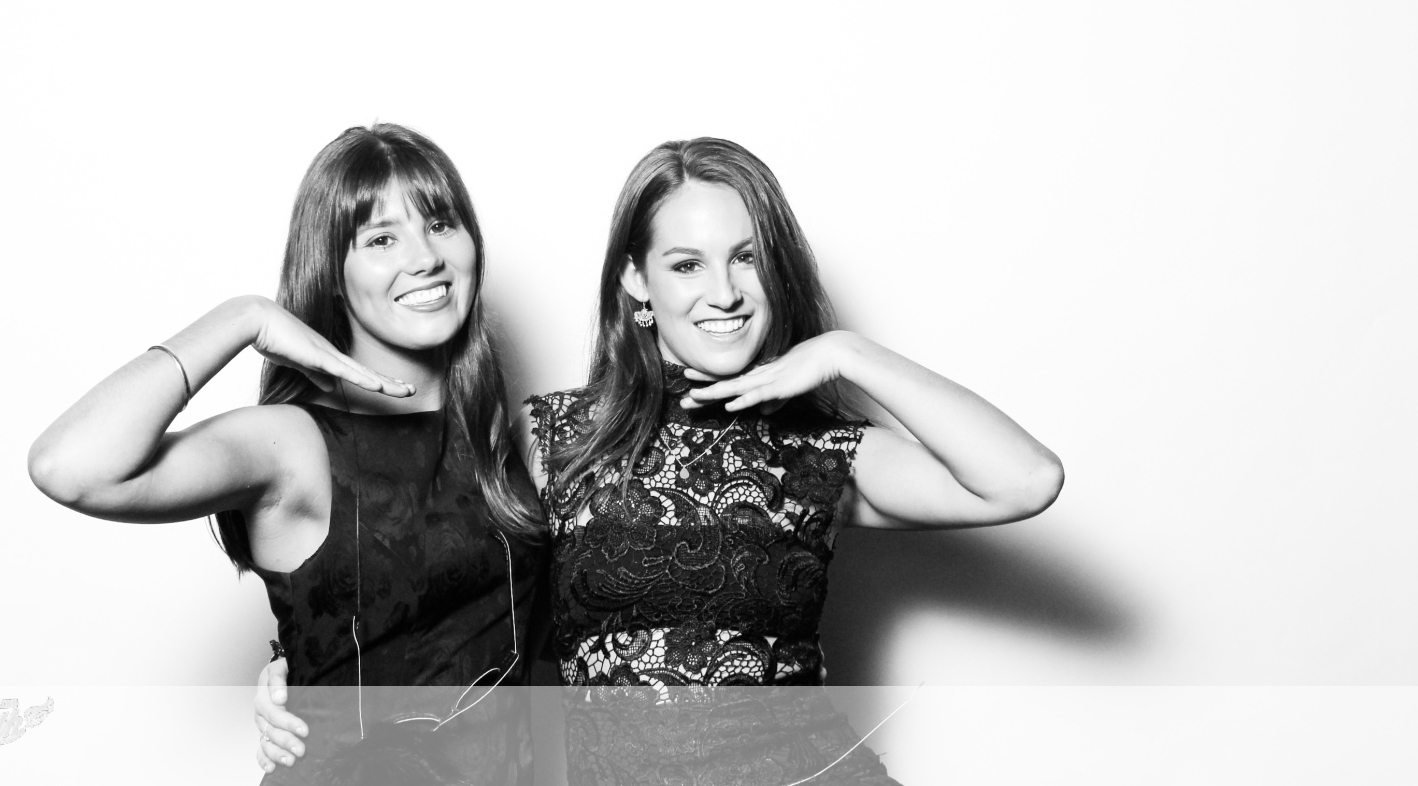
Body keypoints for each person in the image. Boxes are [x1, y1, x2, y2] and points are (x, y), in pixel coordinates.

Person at [256, 136, 1064, 784]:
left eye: (748, 257)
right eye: (686, 264)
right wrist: (301, 665)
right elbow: (427, 570)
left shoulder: (819, 452)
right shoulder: (556, 436)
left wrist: (849, 353)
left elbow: (1025, 479)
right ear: (636, 281)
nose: (725, 291)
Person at [27, 123, 544, 785]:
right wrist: (245, 317)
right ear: (332, 275)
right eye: (381, 239)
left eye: (440, 224)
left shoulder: (507, 435)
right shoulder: (294, 443)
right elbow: (69, 465)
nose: (425, 257)